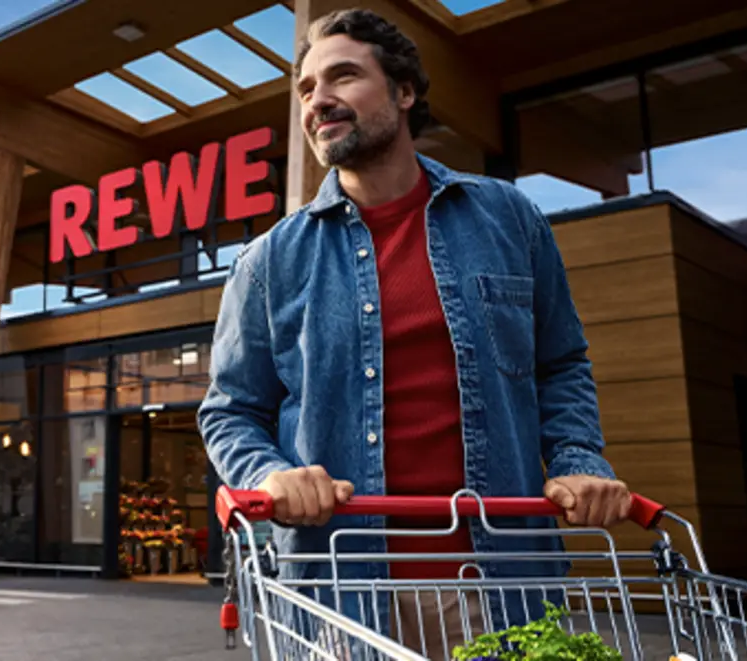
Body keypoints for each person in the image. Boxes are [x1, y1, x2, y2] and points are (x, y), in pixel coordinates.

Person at [197, 7, 632, 658]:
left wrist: (577, 461)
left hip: (500, 578)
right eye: (307, 89)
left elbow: (561, 362)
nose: (319, 101)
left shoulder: (508, 218)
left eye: (342, 76)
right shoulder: (268, 263)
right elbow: (231, 412)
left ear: (404, 92)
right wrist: (269, 475)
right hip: (341, 588)